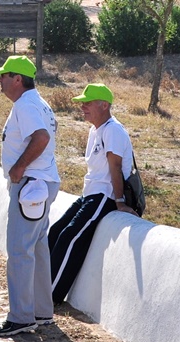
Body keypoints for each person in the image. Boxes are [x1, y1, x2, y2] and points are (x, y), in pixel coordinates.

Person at [0, 56, 61, 337]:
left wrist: (19, 167)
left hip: (31, 185)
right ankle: (42, 311)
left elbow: (41, 138)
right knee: (38, 249)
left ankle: (21, 317)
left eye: (4, 75)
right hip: (42, 183)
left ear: (18, 79)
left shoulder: (26, 104)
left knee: (20, 250)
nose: (0, 80)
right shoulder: (38, 102)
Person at [49, 84, 136, 304]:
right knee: (56, 231)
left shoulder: (113, 130)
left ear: (104, 105)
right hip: (90, 194)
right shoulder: (95, 129)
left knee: (70, 236)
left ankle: (51, 296)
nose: (83, 107)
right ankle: (41, 287)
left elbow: (115, 168)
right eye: (82, 103)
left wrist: (119, 201)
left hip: (104, 196)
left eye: (88, 103)